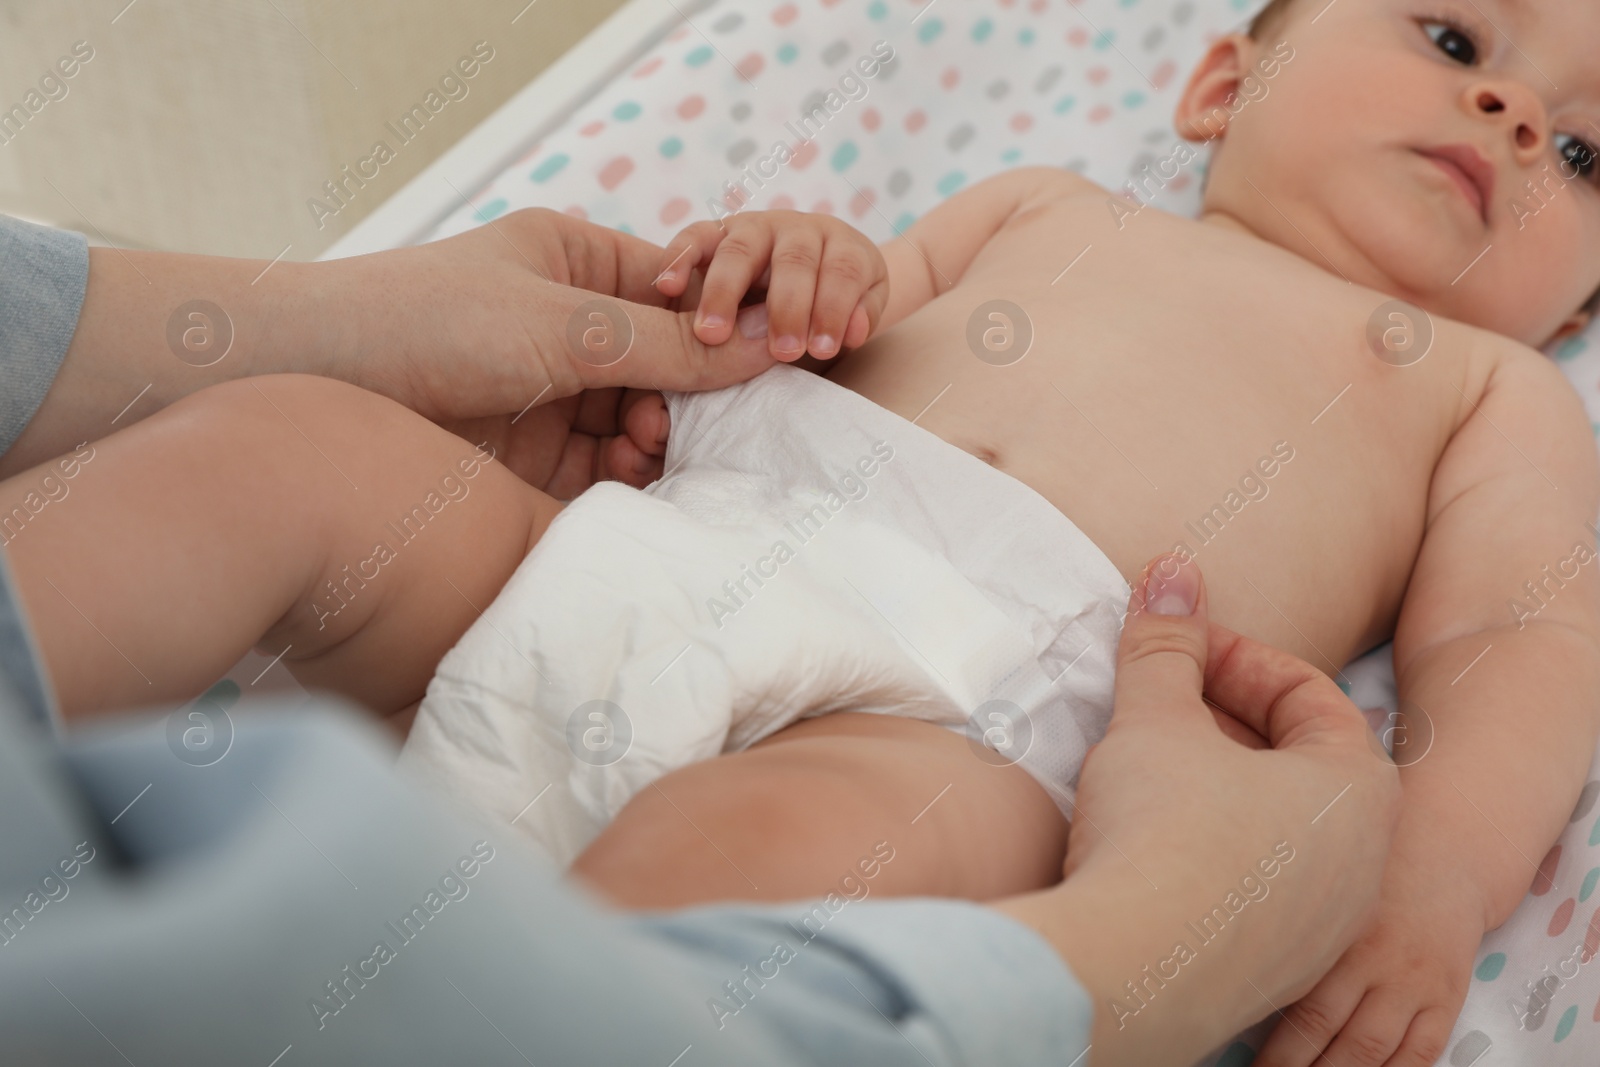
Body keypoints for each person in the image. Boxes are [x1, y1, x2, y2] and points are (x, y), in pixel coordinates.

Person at [0, 209, 1399, 1065]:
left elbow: (1513, 664)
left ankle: (501, 1003)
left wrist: (1426, 910)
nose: (1515, 123)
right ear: (1224, 80)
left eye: (1588, 156)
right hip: (668, 536)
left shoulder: (1490, 392)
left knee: (750, 863)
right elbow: (841, 306)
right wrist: (794, 259)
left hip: (965, 720)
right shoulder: (1048, 204)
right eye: (1450, 39)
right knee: (281, 445)